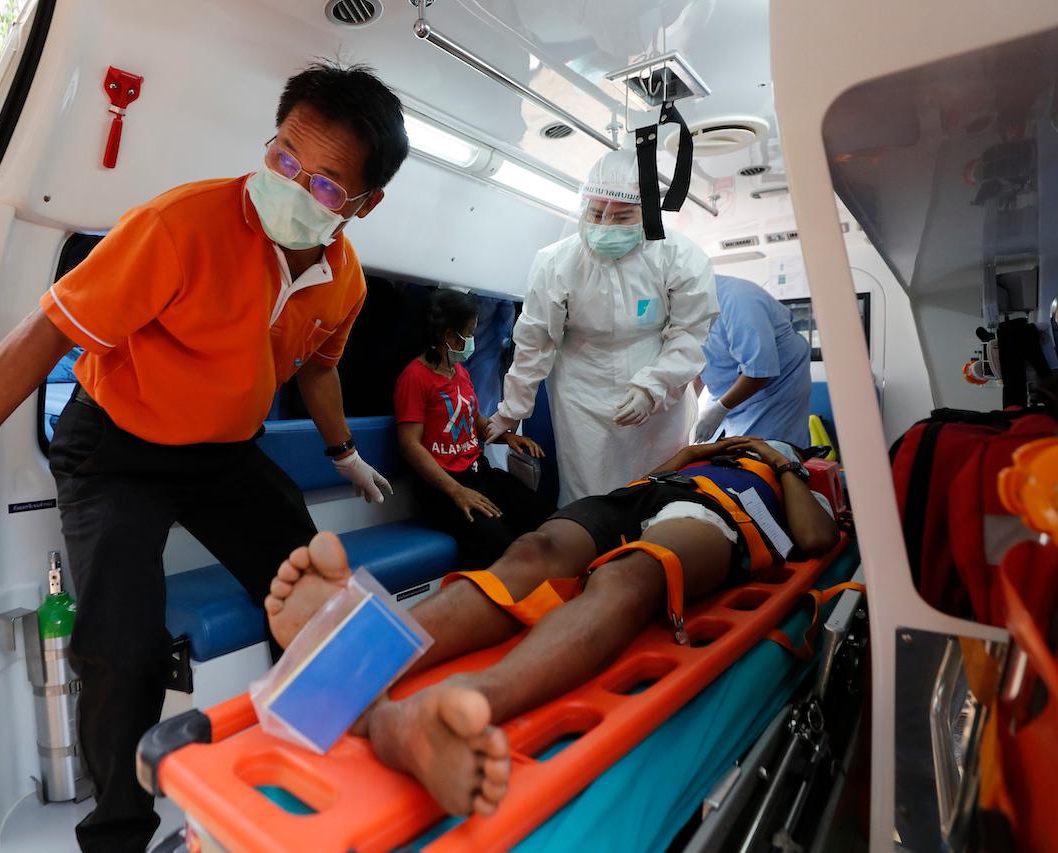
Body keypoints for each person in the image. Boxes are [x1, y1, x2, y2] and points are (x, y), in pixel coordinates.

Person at [0, 62, 409, 852]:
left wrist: (343, 451)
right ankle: (119, 835)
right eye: (284, 158)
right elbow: (51, 327)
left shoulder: (344, 281)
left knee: (320, 589)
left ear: (366, 204)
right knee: (123, 644)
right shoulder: (180, 225)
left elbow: (320, 365)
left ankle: (324, 760)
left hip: (223, 455)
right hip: (115, 447)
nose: (293, 184)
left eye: (325, 184)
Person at [264, 436, 839, 816]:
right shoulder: (705, 454)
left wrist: (777, 457)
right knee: (531, 552)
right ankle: (349, 655)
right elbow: (653, 474)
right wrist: (696, 450)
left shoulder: (786, 477)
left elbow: (816, 539)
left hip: (713, 516)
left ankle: (450, 710)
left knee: (631, 576)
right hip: (637, 498)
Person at [486, 148, 718, 505]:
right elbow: (535, 341)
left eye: (622, 216)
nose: (606, 225)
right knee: (588, 490)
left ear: (648, 213)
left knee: (657, 489)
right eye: (596, 213)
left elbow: (689, 335)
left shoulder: (682, 258)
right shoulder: (556, 261)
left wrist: (652, 388)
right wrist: (512, 410)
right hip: (581, 388)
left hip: (658, 386)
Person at [394, 289, 555, 567]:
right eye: (469, 333)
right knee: (498, 542)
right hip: (444, 488)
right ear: (449, 336)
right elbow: (410, 445)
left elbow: (473, 420)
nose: (472, 341)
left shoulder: (459, 372)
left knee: (542, 515)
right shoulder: (414, 378)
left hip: (478, 474)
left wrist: (506, 437)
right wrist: (457, 491)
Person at [694, 275, 812, 445]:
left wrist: (719, 410)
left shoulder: (738, 299)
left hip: (773, 392)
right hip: (725, 394)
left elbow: (759, 370)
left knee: (765, 456)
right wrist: (686, 409)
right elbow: (695, 368)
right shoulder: (688, 309)